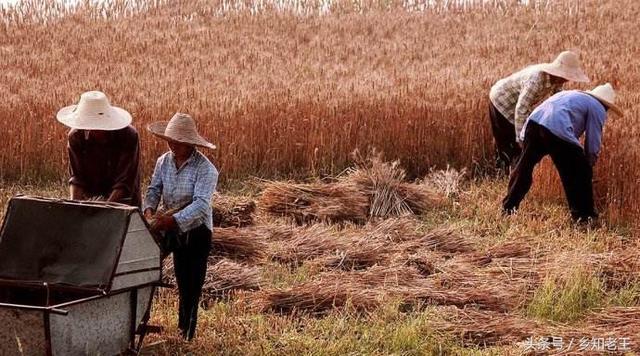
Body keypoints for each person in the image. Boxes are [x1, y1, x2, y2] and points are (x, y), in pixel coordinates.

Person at [143, 112, 218, 341]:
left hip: (195, 231)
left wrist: (174, 220)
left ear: (189, 144)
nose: (172, 145)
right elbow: (154, 190)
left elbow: (201, 206)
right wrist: (149, 210)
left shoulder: (206, 169)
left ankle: (186, 334)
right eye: (170, 141)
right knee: (142, 270)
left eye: (178, 142)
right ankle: (139, 319)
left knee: (189, 283)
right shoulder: (163, 161)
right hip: (166, 225)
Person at [502, 83, 623, 223]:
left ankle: (508, 207)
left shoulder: (571, 94)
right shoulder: (597, 107)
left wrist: (524, 138)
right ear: (606, 105)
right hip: (556, 128)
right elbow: (593, 139)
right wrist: (589, 162)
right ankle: (584, 217)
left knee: (524, 167)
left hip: (533, 124)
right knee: (577, 172)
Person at [489, 51, 589, 171]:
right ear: (558, 73)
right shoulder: (536, 80)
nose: (567, 80)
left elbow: (557, 102)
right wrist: (520, 139)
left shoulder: (555, 81)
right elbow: (521, 109)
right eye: (566, 77)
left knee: (516, 142)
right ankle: (502, 175)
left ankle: (506, 172)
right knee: (507, 141)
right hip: (501, 100)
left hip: (515, 102)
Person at [56, 91, 141, 207]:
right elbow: (77, 178)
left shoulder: (128, 136)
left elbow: (124, 182)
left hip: (123, 203)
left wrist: (105, 208)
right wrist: (75, 206)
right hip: (89, 201)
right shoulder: (76, 136)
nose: (94, 130)